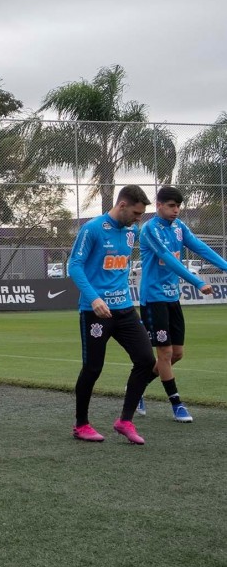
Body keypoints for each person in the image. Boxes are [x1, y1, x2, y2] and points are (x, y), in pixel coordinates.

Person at [67, 184, 155, 444]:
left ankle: (125, 420)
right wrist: (93, 298)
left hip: (125, 309)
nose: (139, 219)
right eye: (137, 213)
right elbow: (75, 265)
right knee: (93, 368)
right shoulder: (92, 229)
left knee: (146, 362)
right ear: (122, 205)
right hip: (95, 312)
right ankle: (81, 425)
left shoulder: (132, 232)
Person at [137, 185, 227, 422]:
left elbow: (200, 247)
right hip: (153, 298)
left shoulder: (179, 227)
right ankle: (177, 404)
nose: (176, 210)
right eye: (171, 206)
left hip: (172, 298)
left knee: (177, 354)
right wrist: (198, 282)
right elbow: (167, 258)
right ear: (158, 206)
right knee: (165, 353)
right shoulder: (149, 229)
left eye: (178, 206)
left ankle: (136, 387)